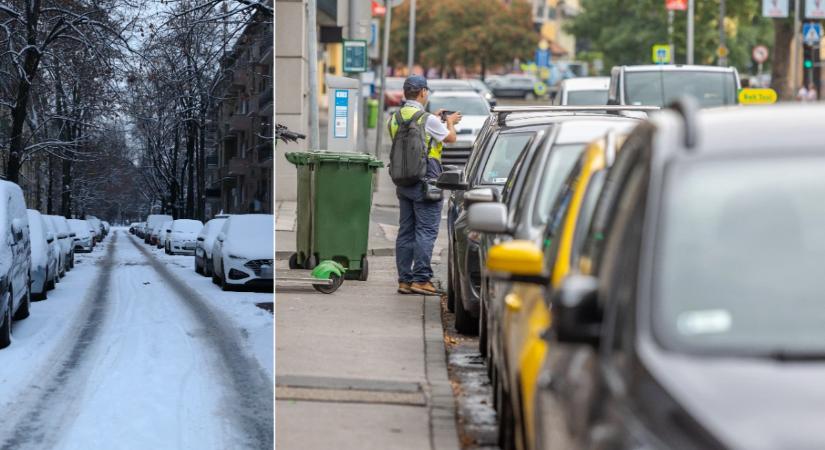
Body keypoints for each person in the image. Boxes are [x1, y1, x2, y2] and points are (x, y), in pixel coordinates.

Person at [388, 75, 462, 295]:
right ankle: (421, 279)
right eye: (426, 91)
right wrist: (449, 122)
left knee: (406, 231)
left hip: (403, 179)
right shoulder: (427, 119)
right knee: (426, 230)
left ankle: (404, 280)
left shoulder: (395, 118)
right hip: (426, 178)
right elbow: (450, 139)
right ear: (422, 92)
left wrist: (434, 118)